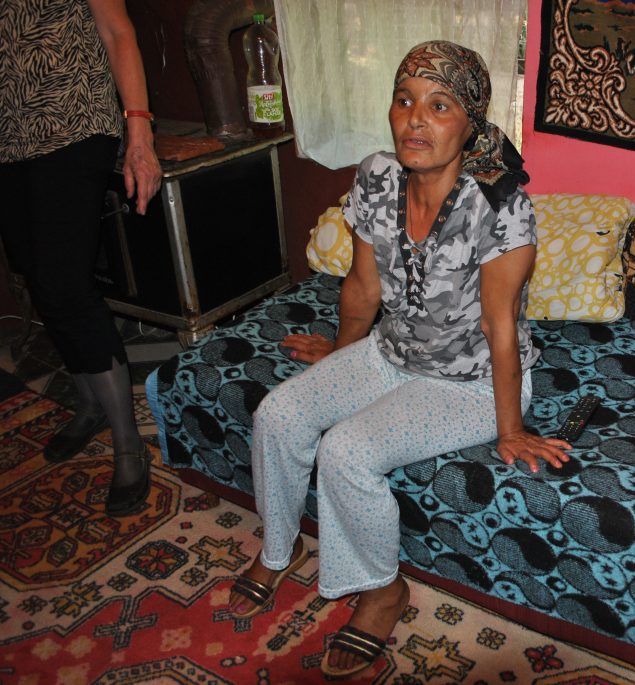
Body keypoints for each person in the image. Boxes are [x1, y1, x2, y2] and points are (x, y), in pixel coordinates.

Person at [226, 40, 571, 678]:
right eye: (404, 101)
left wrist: (511, 428)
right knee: (279, 413)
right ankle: (278, 550)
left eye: (439, 106)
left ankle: (382, 589)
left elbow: (500, 326)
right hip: (389, 353)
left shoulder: (500, 206)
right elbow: (362, 287)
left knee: (346, 450)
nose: (416, 120)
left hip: (468, 382)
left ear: (470, 122)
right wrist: (339, 358)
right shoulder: (376, 177)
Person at [0, 0, 162, 516]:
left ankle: (128, 442)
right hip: (8, 139)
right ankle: (90, 403)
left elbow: (117, 31)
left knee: (66, 284)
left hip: (72, 120)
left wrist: (140, 135)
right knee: (36, 276)